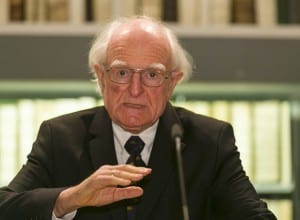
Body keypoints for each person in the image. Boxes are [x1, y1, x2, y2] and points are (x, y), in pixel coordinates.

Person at [0, 15, 276, 220]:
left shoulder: (209, 140)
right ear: (100, 76)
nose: (135, 89)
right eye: (122, 73)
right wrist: (69, 199)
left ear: (173, 82)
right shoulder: (60, 137)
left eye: (152, 75)